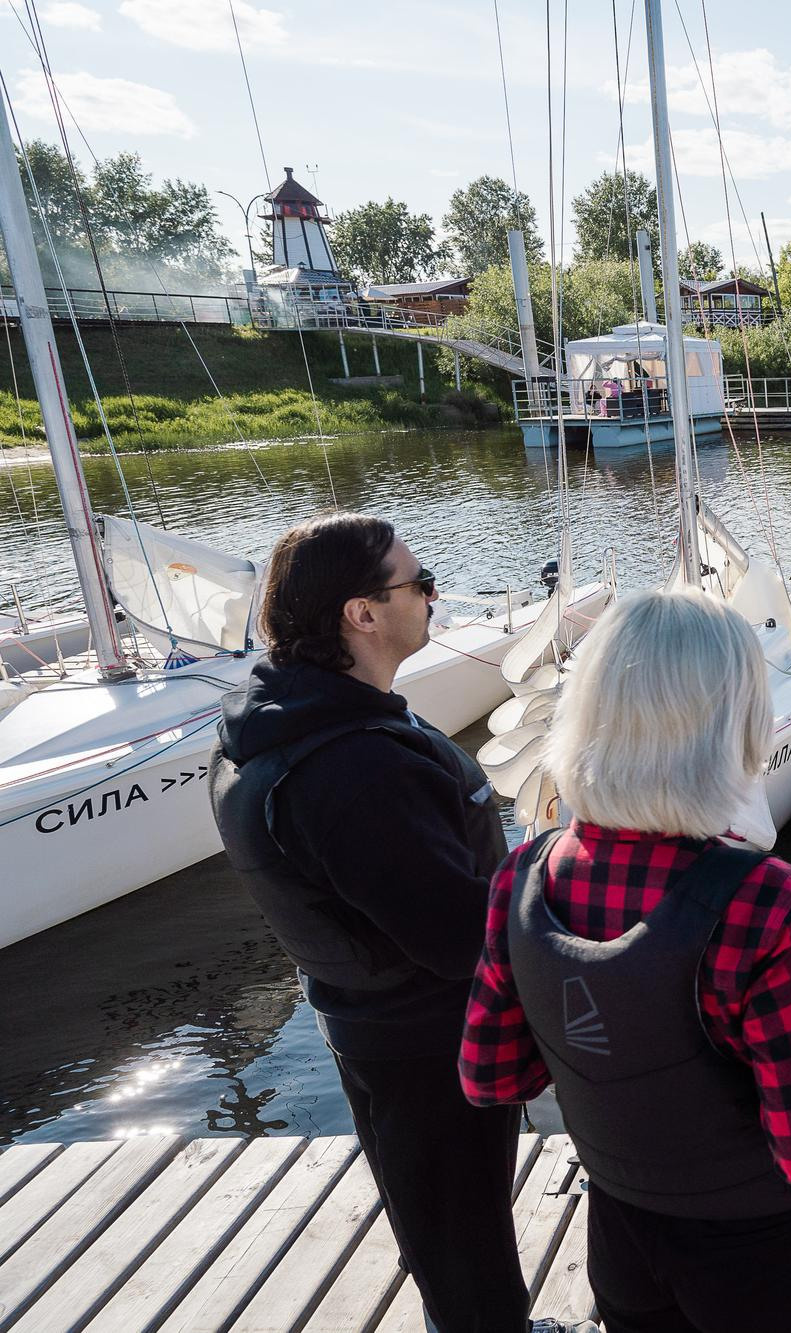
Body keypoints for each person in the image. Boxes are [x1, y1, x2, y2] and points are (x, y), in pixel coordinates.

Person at [460, 589, 791, 1333]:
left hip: (624, 1228)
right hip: (766, 1258)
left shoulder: (522, 879)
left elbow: (493, 1077)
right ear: (730, 721)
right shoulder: (765, 902)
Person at [209, 512, 532, 1332]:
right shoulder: (354, 770)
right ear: (361, 613)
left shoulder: (289, 718)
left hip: (370, 1020)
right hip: (426, 1037)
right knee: (465, 1233)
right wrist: (548, 866)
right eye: (417, 583)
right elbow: (455, 934)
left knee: (437, 1218)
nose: (433, 594)